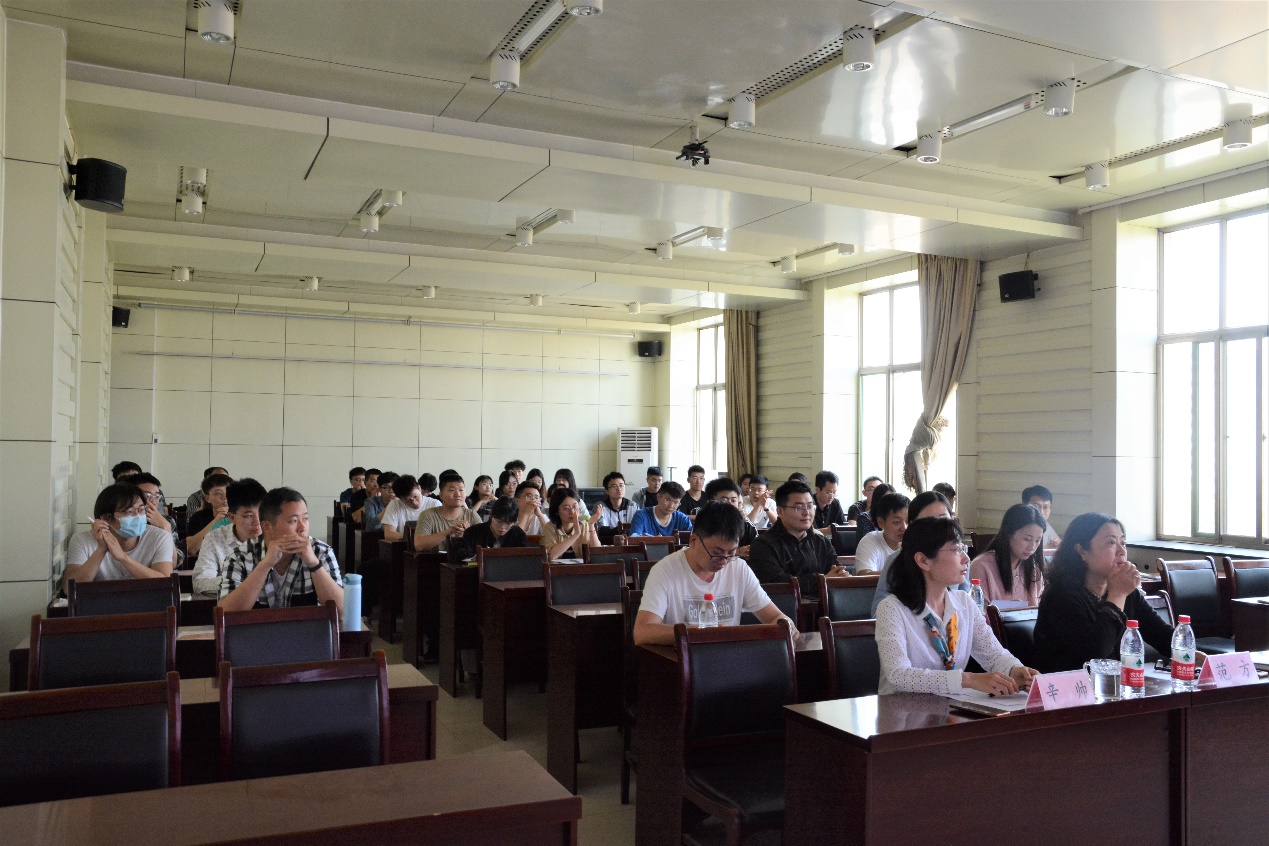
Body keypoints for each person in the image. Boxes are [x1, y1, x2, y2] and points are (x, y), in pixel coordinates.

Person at [876, 516, 1038, 696]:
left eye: (963, 549)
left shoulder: (964, 602)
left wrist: (1014, 670)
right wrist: (968, 680)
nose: (966, 558)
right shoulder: (892, 609)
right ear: (923, 560)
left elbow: (994, 654)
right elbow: (898, 675)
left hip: (951, 706)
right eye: (956, 550)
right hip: (901, 709)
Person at [1032, 513, 1186, 673]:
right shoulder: (1061, 596)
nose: (1121, 551)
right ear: (1081, 551)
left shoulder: (1127, 592)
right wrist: (1117, 595)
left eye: (1123, 543)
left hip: (1114, 685)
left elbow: (1160, 634)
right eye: (1111, 542)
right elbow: (1095, 655)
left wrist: (1191, 655)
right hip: (1071, 685)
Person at [634, 502, 797, 646]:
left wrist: (786, 624)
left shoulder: (739, 568)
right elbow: (642, 632)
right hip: (682, 660)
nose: (724, 561)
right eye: (717, 553)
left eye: (731, 553)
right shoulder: (665, 571)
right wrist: (700, 633)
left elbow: (774, 617)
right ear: (694, 541)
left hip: (728, 659)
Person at [217, 487, 343, 613]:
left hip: (306, 626)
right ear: (267, 526)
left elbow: (342, 611)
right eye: (293, 521)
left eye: (305, 518)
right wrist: (265, 565)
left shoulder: (321, 552)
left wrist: (314, 564)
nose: (302, 527)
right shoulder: (240, 557)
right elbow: (225, 614)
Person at [747, 480, 847, 596]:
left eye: (810, 506)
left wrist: (840, 575)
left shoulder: (821, 541)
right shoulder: (763, 545)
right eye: (798, 508)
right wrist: (822, 581)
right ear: (780, 511)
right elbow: (781, 584)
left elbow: (837, 571)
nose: (807, 513)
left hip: (827, 605)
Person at [64, 484, 176, 586]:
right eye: (130, 512)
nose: (138, 516)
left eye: (141, 510)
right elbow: (69, 589)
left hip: (148, 601)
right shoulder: (81, 540)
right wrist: (101, 550)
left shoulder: (160, 537)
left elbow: (166, 584)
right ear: (106, 518)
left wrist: (123, 558)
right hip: (102, 601)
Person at [871, 490, 958, 615]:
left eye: (943, 519)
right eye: (929, 520)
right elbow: (877, 611)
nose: (938, 527)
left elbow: (969, 603)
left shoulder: (960, 558)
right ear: (913, 526)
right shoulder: (896, 560)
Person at [192, 478, 267, 598]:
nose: (257, 522)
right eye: (249, 516)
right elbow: (201, 582)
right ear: (232, 517)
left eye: (262, 514)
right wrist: (249, 583)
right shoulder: (215, 538)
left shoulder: (276, 535)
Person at [969, 504, 1047, 604]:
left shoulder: (1034, 568)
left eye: (1037, 541)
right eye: (1027, 539)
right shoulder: (982, 566)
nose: (1032, 547)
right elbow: (977, 610)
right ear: (1009, 534)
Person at [415, 472, 483, 552]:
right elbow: (419, 545)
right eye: (452, 490)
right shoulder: (428, 515)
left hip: (466, 559)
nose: (458, 494)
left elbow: (484, 543)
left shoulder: (472, 515)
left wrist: (468, 533)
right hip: (436, 559)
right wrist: (450, 531)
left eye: (461, 490)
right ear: (441, 495)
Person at [449, 497, 533, 562]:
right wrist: (477, 557)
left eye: (508, 523)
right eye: (499, 521)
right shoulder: (474, 531)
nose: (503, 527)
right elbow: (457, 555)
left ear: (514, 522)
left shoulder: (518, 535)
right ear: (491, 515)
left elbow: (525, 559)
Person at [854, 492, 912, 574]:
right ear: (881, 522)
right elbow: (865, 576)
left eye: (907, 521)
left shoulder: (914, 542)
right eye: (896, 522)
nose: (904, 528)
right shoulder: (870, 541)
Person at [541, 487, 600, 559]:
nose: (572, 512)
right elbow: (551, 556)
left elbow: (597, 555)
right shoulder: (549, 528)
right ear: (556, 511)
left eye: (575, 506)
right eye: (566, 508)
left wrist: (591, 525)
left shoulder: (584, 525)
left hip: (581, 566)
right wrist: (576, 535)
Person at [703, 477, 757, 552]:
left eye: (733, 500)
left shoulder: (747, 526)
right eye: (724, 500)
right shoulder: (703, 524)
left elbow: (756, 552)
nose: (730, 505)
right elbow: (700, 552)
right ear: (710, 502)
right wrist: (737, 552)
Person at [185, 473, 233, 555]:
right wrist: (216, 521)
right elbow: (191, 549)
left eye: (229, 492)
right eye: (218, 493)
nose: (225, 497)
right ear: (207, 498)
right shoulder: (198, 517)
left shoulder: (242, 516)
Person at [381, 474, 439, 542]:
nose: (414, 503)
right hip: (404, 545)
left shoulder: (435, 504)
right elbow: (389, 535)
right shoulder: (395, 504)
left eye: (415, 497)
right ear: (400, 499)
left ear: (419, 488)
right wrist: (414, 537)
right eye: (407, 501)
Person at [593, 471, 639, 542]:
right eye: (614, 487)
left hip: (630, 543)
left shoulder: (632, 506)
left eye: (621, 485)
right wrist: (621, 530)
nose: (619, 489)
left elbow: (638, 528)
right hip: (607, 544)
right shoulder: (600, 507)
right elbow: (600, 531)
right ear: (607, 491)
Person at [1023, 484, 1062, 548]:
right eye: (1035, 506)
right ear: (1024, 507)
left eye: (1046, 507)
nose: (1041, 512)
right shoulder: (1019, 526)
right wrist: (1048, 547)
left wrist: (1057, 544)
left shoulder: (1046, 525)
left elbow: (1057, 544)